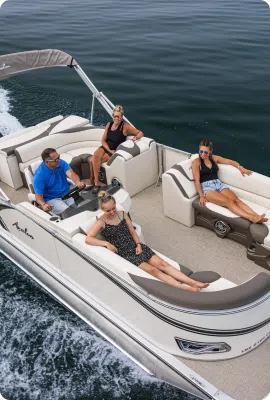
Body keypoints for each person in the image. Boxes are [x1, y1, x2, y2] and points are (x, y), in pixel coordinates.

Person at [85, 191, 209, 291]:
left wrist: (138, 244)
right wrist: (106, 243)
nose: (112, 212)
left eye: (113, 208)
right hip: (125, 254)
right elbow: (88, 239)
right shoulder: (101, 222)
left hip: (136, 247)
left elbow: (132, 231)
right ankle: (184, 288)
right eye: (108, 210)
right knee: (154, 270)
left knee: (163, 265)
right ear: (102, 209)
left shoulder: (122, 214)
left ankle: (193, 283)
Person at [192, 139, 268, 224]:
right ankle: (251, 218)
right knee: (229, 202)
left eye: (205, 152)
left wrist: (241, 168)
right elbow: (197, 180)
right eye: (201, 151)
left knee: (236, 200)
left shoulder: (214, 158)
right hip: (207, 188)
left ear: (210, 151)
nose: (203, 154)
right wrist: (201, 196)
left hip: (218, 184)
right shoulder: (196, 162)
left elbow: (230, 162)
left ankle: (257, 216)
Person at [90, 105, 144, 194]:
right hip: (106, 147)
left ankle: (93, 182)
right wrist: (108, 150)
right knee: (95, 156)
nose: (117, 118)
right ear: (112, 116)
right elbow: (103, 141)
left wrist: (135, 138)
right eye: (115, 116)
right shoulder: (109, 124)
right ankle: (95, 182)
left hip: (115, 150)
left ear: (122, 117)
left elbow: (140, 132)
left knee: (93, 160)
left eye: (119, 116)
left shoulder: (125, 126)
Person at [33, 148, 85, 215]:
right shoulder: (39, 176)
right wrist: (43, 204)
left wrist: (77, 182)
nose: (59, 160)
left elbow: (71, 174)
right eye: (56, 160)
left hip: (67, 194)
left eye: (59, 157)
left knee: (82, 207)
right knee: (70, 213)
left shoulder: (61, 163)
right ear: (47, 162)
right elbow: (38, 197)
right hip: (52, 199)